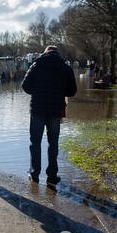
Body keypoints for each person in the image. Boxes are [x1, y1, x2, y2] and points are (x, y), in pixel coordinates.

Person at [22, 46, 77, 187]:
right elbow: (72, 91)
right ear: (57, 53)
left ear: (45, 53)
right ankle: (52, 176)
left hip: (38, 109)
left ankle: (34, 174)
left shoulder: (36, 65)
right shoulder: (65, 68)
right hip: (55, 110)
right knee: (53, 143)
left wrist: (38, 90)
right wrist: (60, 91)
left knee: (35, 143)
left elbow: (25, 86)